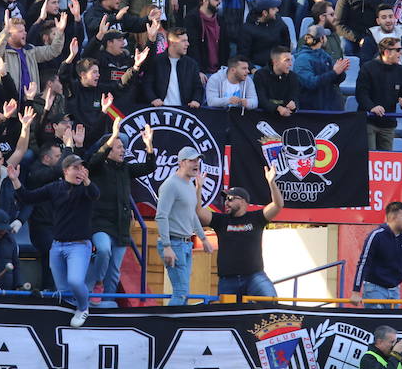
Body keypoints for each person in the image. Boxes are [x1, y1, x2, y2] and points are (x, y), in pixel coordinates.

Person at [12, 155, 98, 327]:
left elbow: (95, 194)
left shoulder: (86, 189)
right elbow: (28, 198)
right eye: (76, 168)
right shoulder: (55, 188)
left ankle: (83, 308)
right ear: (66, 171)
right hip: (57, 245)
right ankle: (67, 315)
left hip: (79, 245)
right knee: (63, 290)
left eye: (82, 168)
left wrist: (87, 180)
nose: (80, 171)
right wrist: (15, 180)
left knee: (75, 281)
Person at [87, 121, 155, 305]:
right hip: (100, 221)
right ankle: (98, 282)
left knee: (115, 268)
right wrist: (111, 138)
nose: (123, 149)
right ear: (108, 150)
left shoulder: (125, 168)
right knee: (103, 250)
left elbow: (150, 167)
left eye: (123, 146)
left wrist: (148, 145)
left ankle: (109, 301)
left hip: (121, 223)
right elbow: (94, 161)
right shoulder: (98, 167)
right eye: (118, 146)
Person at [196, 165, 283, 298]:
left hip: (254, 277)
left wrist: (271, 182)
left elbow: (278, 205)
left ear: (243, 202)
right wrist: (198, 189)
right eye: (225, 199)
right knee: (228, 316)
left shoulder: (256, 218)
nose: (226, 202)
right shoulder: (221, 220)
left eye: (230, 199)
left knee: (270, 302)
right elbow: (199, 212)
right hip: (227, 280)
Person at [155, 145, 213, 306]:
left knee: (183, 292)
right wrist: (167, 246)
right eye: (192, 160)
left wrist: (204, 238)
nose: (196, 164)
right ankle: (169, 327)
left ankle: (176, 325)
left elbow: (192, 215)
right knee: (180, 292)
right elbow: (161, 216)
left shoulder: (188, 185)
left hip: (185, 244)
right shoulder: (170, 185)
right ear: (181, 163)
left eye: (198, 160)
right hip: (173, 243)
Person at [350, 201, 402, 308]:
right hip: (374, 289)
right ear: (394, 218)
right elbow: (363, 264)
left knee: (392, 324)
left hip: (395, 290)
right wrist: (355, 292)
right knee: (376, 323)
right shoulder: (376, 236)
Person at [355, 37, 402, 150]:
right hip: (368, 122)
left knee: (386, 160)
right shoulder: (367, 68)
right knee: (369, 159)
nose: (401, 52)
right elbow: (361, 94)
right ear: (386, 52)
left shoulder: (401, 70)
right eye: (398, 50)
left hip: (388, 124)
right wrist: (372, 107)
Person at [145, 27, 204, 107]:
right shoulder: (156, 61)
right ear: (173, 42)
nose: (187, 44)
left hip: (184, 112)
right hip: (159, 112)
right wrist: (153, 99)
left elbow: (198, 88)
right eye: (183, 41)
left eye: (187, 40)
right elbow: (147, 83)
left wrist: (196, 100)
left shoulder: (191, 64)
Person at [294, 26, 348, 110]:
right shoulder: (302, 59)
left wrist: (340, 72)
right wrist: (334, 72)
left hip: (329, 106)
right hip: (312, 111)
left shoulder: (324, 55)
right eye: (325, 36)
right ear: (322, 39)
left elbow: (334, 80)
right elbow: (311, 83)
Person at [185, 0, 229, 74]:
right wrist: (198, 71)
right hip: (201, 73)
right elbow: (192, 48)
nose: (219, 2)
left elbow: (225, 47)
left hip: (220, 72)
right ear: (205, 1)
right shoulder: (192, 19)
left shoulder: (220, 19)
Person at [238, 0, 290, 69]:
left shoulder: (278, 20)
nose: (277, 10)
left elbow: (286, 41)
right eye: (273, 8)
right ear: (265, 13)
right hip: (258, 66)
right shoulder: (247, 29)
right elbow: (243, 55)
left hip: (278, 62)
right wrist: (252, 69)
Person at [253, 45, 299, 116]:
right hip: (263, 116)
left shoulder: (293, 77)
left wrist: (294, 104)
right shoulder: (260, 75)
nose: (290, 64)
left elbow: (294, 96)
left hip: (286, 118)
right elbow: (261, 99)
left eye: (291, 60)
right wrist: (277, 108)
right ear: (275, 62)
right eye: (287, 60)